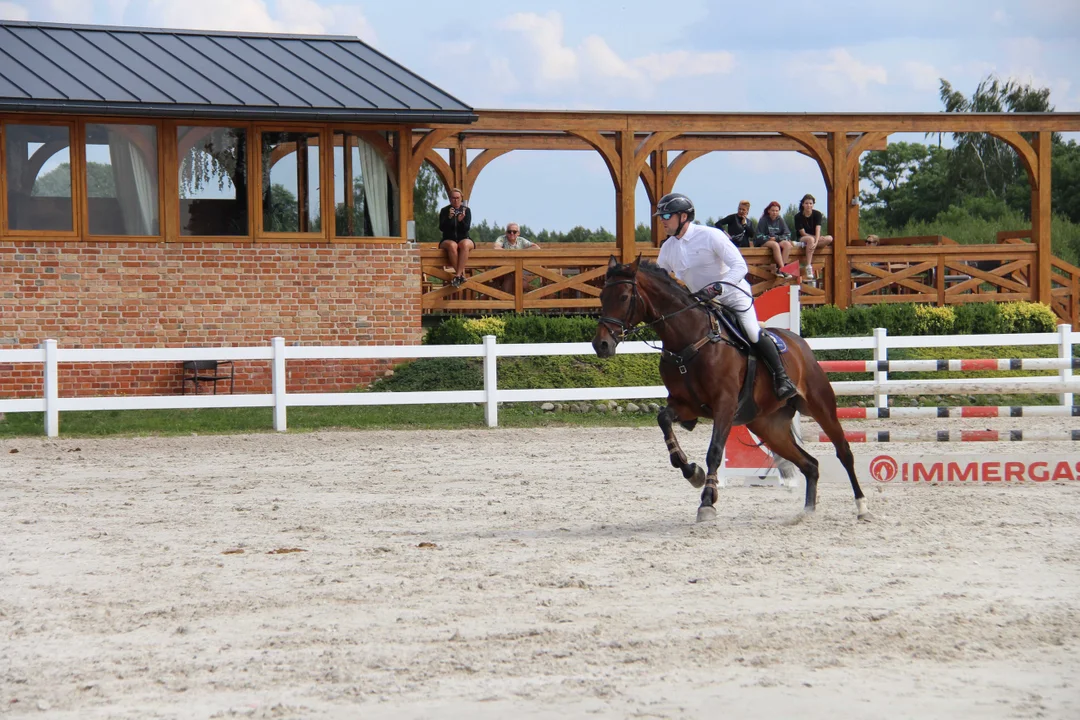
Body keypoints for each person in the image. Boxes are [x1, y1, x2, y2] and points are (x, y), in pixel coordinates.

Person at [653, 192, 797, 401]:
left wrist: (719, 288)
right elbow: (661, 280)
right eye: (661, 217)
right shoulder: (667, 248)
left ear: (683, 216)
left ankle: (782, 378)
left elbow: (740, 266)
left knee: (752, 332)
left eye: (666, 217)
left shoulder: (711, 235)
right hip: (702, 303)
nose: (662, 222)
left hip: (733, 296)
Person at [793, 193, 833, 282]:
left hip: (815, 238)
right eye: (806, 203)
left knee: (829, 238)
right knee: (810, 239)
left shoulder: (817, 214)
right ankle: (808, 265)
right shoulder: (798, 216)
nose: (809, 205)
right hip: (804, 237)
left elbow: (818, 229)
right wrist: (815, 239)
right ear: (803, 204)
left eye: (811, 203)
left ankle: (806, 246)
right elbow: (802, 233)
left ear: (813, 204)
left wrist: (817, 240)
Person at [438, 188, 473, 288]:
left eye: (458, 198)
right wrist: (449, 218)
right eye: (453, 198)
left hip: (463, 238)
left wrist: (460, 220)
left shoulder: (466, 210)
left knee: (465, 244)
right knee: (452, 245)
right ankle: (461, 275)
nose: (455, 200)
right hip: (448, 239)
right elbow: (442, 228)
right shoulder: (444, 211)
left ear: (461, 198)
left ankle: (457, 275)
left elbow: (466, 228)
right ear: (450, 199)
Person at [493, 222, 540, 293]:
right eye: (509, 231)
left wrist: (521, 253)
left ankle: (513, 300)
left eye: (514, 232)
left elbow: (536, 247)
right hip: (502, 269)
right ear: (506, 232)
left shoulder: (521, 240)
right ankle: (508, 300)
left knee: (521, 283)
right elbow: (496, 248)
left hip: (518, 268)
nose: (512, 233)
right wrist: (513, 254)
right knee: (511, 278)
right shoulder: (502, 238)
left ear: (518, 233)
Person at [754, 201, 795, 280]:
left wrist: (777, 238)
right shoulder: (763, 220)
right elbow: (758, 236)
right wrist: (769, 238)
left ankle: (780, 270)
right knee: (775, 245)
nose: (774, 213)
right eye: (773, 211)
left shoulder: (780, 220)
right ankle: (783, 269)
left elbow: (788, 234)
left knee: (787, 244)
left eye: (776, 211)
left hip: (776, 239)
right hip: (763, 242)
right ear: (769, 211)